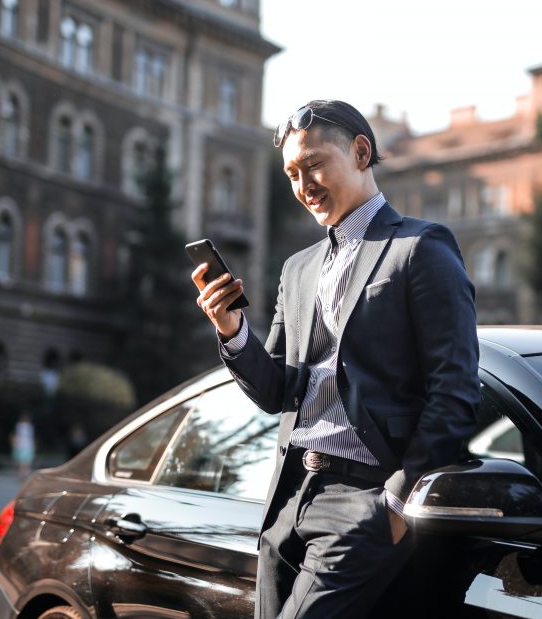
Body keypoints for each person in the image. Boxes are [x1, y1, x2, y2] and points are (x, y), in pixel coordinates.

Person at [192, 100, 480, 619]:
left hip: (365, 498)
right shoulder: (297, 269)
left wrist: (396, 502)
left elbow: (455, 389)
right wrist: (232, 331)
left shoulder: (420, 248)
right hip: (290, 493)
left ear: (361, 152)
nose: (304, 186)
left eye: (314, 165)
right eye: (292, 175)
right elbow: (278, 390)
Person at [11, 411, 36, 478]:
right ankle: (22, 473)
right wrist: (14, 443)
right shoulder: (19, 426)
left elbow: (31, 437)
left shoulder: (29, 426)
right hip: (22, 446)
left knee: (25, 461)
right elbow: (15, 436)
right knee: (22, 461)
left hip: (26, 446)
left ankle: (23, 473)